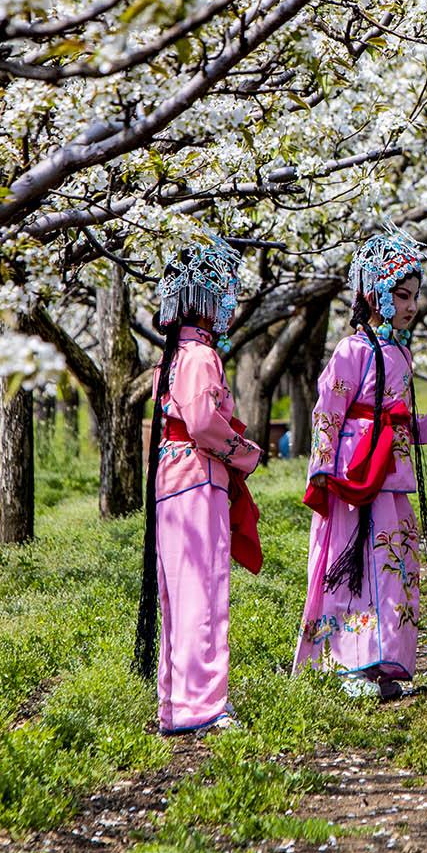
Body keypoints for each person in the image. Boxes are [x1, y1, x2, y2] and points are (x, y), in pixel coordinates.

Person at [294, 229, 427, 700]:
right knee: (355, 568)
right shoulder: (352, 351)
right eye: (401, 295)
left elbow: (402, 421)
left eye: (415, 296)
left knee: (393, 566)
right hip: (356, 480)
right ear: (374, 295)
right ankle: (347, 666)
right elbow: (328, 413)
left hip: (390, 479)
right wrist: (324, 474)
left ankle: (384, 662)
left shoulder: (400, 352)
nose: (411, 305)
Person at [138, 236, 264, 734]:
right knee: (204, 592)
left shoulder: (174, 356)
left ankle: (177, 702)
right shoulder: (201, 356)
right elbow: (205, 425)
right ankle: (204, 706)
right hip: (198, 476)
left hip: (173, 478)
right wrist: (247, 454)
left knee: (181, 592)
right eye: (229, 288)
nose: (234, 299)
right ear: (210, 296)